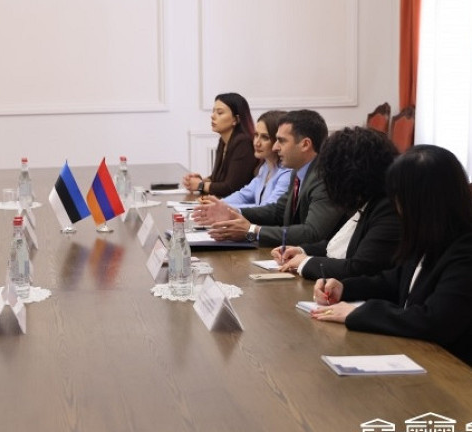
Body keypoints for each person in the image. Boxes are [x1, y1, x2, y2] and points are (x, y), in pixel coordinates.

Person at [311, 145, 472, 366]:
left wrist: (359, 313)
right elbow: (395, 281)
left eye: (398, 197)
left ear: (421, 201)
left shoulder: (465, 251)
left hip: (452, 370)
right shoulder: (431, 237)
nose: (395, 206)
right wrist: (344, 288)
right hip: (418, 354)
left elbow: (435, 321)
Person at [192, 109, 344, 247]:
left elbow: (312, 233)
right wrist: (232, 211)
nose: (275, 147)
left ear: (305, 144)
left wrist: (253, 231)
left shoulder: (324, 178)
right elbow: (278, 211)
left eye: (282, 141)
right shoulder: (298, 172)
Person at [273, 127, 401, 280]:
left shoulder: (387, 208)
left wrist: (306, 262)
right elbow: (342, 244)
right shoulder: (369, 200)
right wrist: (301, 251)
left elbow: (360, 268)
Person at [182, 93, 259, 197]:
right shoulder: (223, 140)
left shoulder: (243, 143)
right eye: (213, 111)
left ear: (236, 119)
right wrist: (201, 181)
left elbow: (231, 187)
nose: (212, 116)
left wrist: (200, 185)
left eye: (220, 113)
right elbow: (219, 179)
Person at [221, 110, 292, 208]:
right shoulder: (265, 168)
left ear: (278, 140)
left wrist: (224, 208)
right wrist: (217, 204)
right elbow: (243, 195)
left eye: (265, 137)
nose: (256, 143)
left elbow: (267, 209)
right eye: (256, 135)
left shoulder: (287, 173)